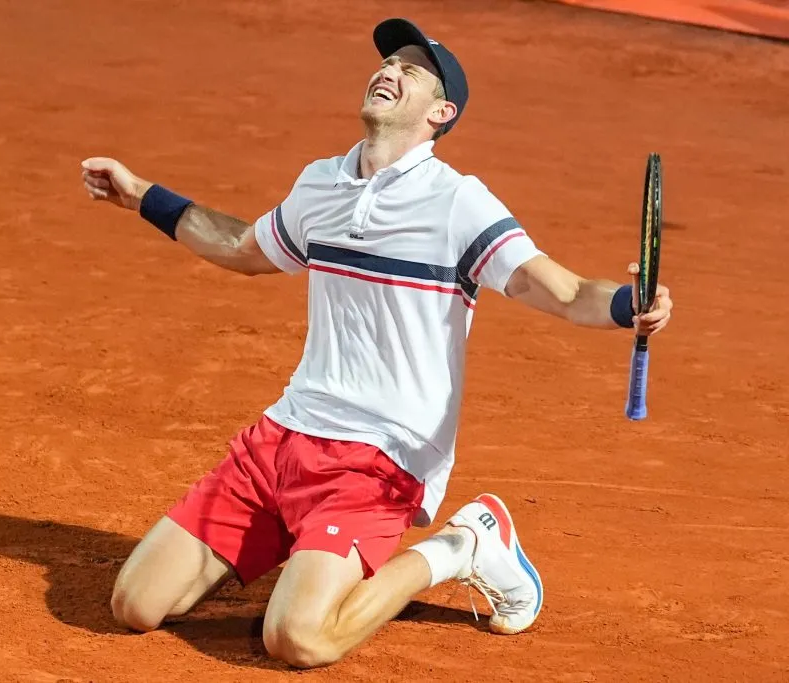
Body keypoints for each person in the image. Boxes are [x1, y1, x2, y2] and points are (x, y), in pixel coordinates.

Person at [80, 17, 673, 669]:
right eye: (388, 60)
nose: (389, 68)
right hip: (284, 439)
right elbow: (242, 248)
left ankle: (462, 545)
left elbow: (556, 290)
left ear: (441, 113)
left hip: (380, 457)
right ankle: (303, 541)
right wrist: (141, 196)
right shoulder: (320, 185)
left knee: (297, 639)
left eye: (412, 69)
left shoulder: (457, 203)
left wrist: (627, 306)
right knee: (134, 603)